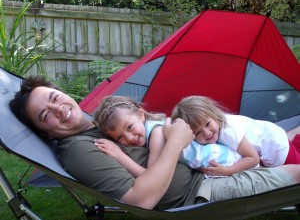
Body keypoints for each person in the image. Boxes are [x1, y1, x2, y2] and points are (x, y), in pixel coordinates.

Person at [9, 75, 300, 210]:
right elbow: (141, 199)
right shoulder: (78, 149)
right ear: (45, 132)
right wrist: (176, 141)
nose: (59, 108)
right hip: (202, 192)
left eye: (55, 97)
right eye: (46, 114)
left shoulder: (97, 124)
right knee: (296, 175)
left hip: (205, 169)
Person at [93, 95, 247, 178]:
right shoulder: (151, 129)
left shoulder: (156, 133)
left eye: (130, 127)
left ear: (140, 115)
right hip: (214, 160)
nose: (129, 137)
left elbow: (151, 176)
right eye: (120, 138)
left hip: (222, 161)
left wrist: (119, 155)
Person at [171, 95, 300, 177]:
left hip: (276, 148)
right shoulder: (216, 128)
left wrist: (229, 170)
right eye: (197, 132)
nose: (207, 133)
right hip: (269, 135)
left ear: (214, 114)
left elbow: (253, 158)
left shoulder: (228, 131)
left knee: (295, 173)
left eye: (208, 124)